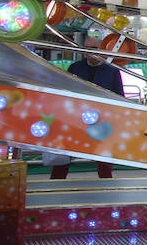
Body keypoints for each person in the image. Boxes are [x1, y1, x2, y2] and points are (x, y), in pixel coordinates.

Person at [51, 31, 124, 179]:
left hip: (102, 121)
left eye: (93, 48)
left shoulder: (112, 71)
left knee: (103, 160)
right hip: (75, 119)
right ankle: (54, 184)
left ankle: (107, 188)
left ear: (102, 50)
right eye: (86, 48)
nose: (89, 52)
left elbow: (119, 97)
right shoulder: (75, 67)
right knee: (64, 156)